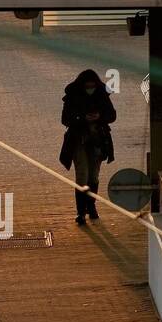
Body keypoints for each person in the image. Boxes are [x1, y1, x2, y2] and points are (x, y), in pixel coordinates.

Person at [59, 68, 116, 225]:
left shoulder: (102, 95)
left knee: (94, 176)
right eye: (87, 85)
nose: (90, 88)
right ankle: (81, 212)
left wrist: (100, 117)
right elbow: (65, 119)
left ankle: (91, 207)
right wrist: (83, 118)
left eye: (92, 85)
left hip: (98, 140)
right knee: (82, 174)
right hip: (79, 140)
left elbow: (112, 115)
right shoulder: (72, 96)